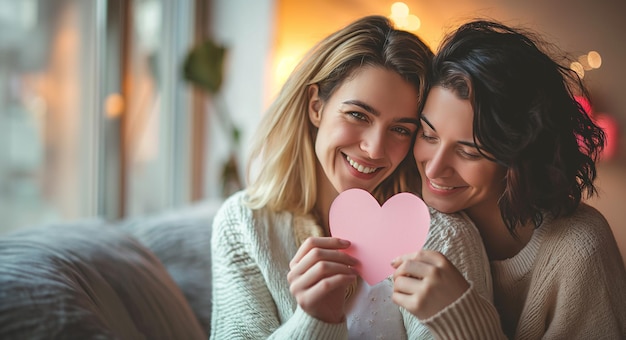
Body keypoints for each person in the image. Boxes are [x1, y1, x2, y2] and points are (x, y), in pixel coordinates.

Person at [210, 15, 495, 339]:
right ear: (316, 106)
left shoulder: (440, 233)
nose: (374, 149)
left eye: (401, 129)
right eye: (358, 115)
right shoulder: (242, 225)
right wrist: (315, 320)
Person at [407, 19, 626, 338]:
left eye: (469, 152)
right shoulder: (411, 211)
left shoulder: (580, 249)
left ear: (517, 157)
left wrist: (465, 318)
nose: (434, 168)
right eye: (428, 135)